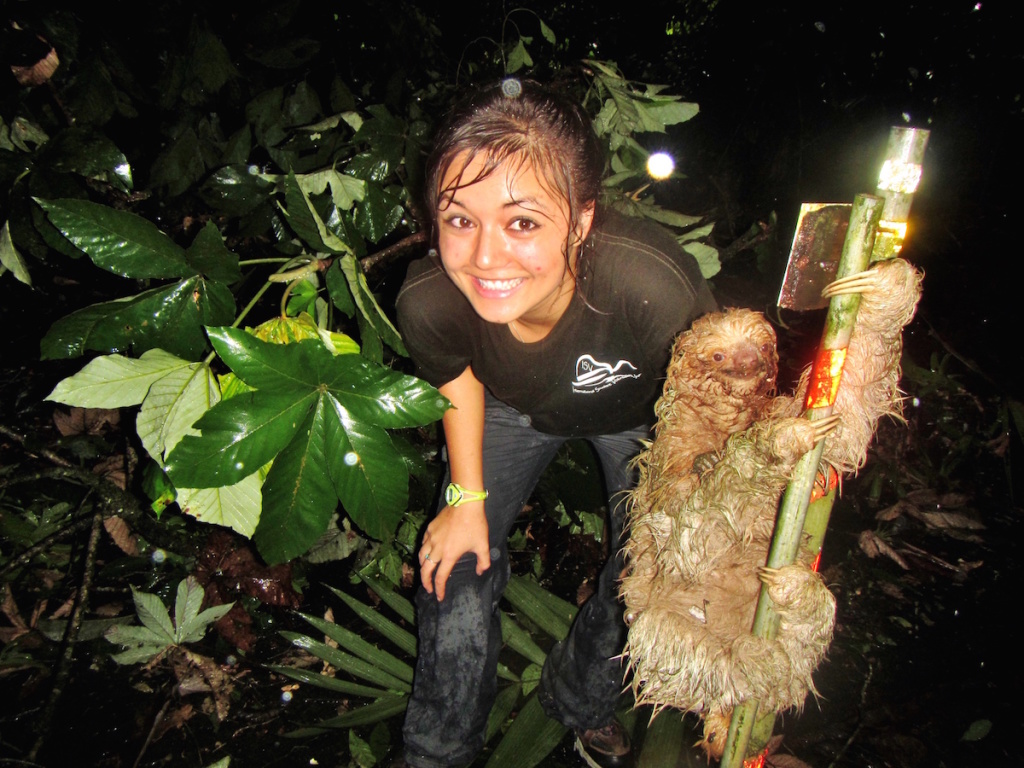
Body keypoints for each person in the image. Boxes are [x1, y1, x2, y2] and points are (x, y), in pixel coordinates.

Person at [393, 77, 717, 768]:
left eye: (523, 222)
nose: (485, 257)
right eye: (459, 219)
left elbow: (713, 405)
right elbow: (457, 380)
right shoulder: (429, 301)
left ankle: (582, 699)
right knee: (452, 566)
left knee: (648, 574)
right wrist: (466, 500)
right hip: (509, 407)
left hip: (646, 420)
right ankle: (437, 751)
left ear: (582, 220)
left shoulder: (650, 287)